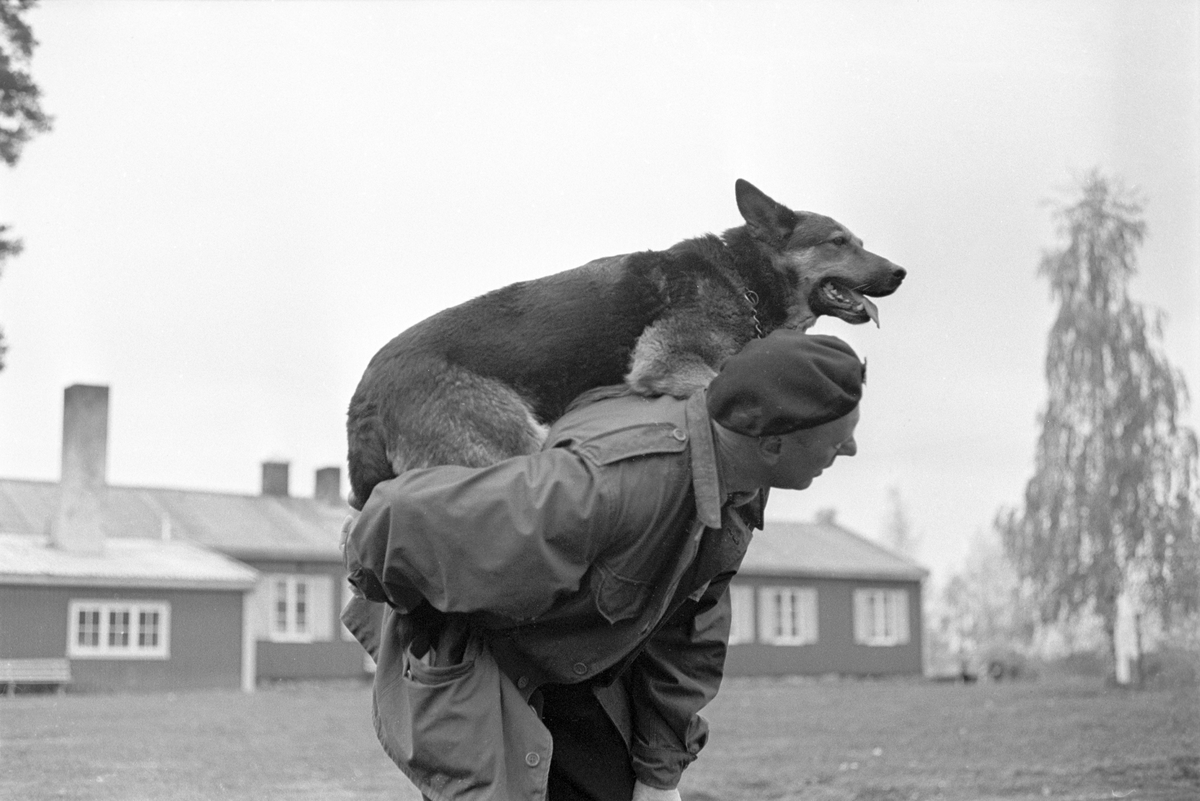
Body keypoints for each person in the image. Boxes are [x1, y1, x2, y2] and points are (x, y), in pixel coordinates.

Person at [342, 330, 865, 801]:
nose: (851, 449)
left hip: (579, 670)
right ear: (771, 443)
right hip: (485, 665)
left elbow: (688, 630)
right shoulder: (610, 484)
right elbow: (394, 519)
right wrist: (421, 623)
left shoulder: (738, 490)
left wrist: (660, 775)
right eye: (837, 436)